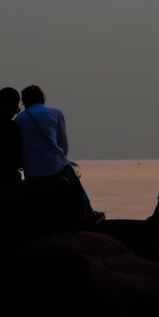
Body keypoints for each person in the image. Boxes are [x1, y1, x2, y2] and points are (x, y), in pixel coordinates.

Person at [15, 85, 101, 221]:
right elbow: (63, 147)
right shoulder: (55, 113)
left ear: (24, 102)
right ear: (42, 98)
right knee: (72, 169)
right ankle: (89, 213)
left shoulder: (19, 119)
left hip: (31, 171)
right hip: (54, 168)